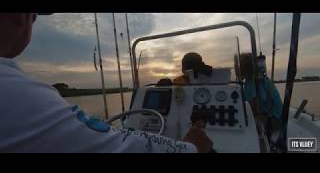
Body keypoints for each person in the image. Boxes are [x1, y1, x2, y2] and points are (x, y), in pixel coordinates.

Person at [0, 13, 213, 153]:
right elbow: (116, 147)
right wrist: (191, 147)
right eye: (34, 17)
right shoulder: (19, 94)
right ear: (18, 18)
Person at [234, 53, 283, 131]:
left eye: (237, 67)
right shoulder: (259, 78)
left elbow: (252, 106)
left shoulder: (252, 82)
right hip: (277, 116)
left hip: (272, 118)